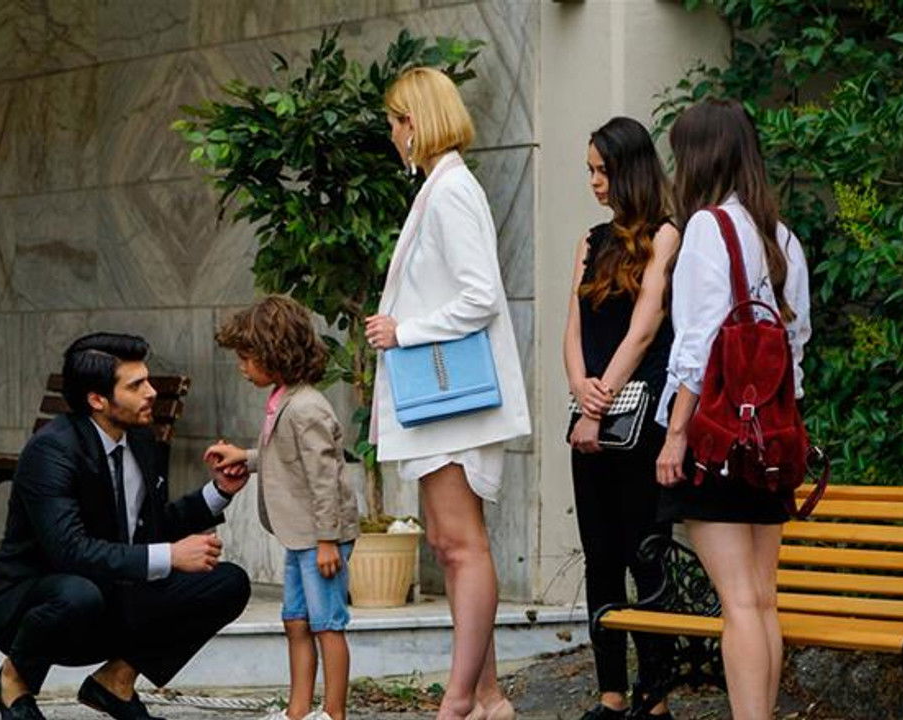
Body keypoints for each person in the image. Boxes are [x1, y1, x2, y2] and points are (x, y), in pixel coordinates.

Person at [364, 67, 531, 720]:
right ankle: (485, 695)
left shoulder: (452, 189)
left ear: (414, 123)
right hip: (444, 405)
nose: (391, 135)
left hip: (454, 402)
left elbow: (480, 295)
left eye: (393, 123)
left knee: (461, 544)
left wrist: (404, 331)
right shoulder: (443, 186)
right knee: (448, 542)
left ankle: (459, 701)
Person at [0, 333, 253, 720]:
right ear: (97, 400)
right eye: (136, 385)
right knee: (78, 594)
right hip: (33, 605)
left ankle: (114, 683)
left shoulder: (140, 438)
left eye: (148, 380)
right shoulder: (51, 451)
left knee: (227, 582)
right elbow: (70, 551)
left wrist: (218, 492)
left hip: (109, 594)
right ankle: (15, 680)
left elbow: (149, 526)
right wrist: (170, 556)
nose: (151, 393)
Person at [655, 99, 812, 720]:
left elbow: (696, 346)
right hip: (770, 439)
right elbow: (794, 351)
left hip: (717, 437)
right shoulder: (783, 237)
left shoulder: (707, 227)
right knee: (762, 599)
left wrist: (675, 434)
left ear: (701, 157)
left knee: (738, 602)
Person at [562, 117, 679, 720]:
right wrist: (580, 388)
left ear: (631, 169)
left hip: (642, 419)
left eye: (603, 170)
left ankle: (653, 697)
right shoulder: (589, 241)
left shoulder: (666, 235)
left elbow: (645, 328)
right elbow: (573, 327)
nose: (594, 182)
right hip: (591, 413)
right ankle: (610, 694)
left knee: (645, 552)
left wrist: (599, 401)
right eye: (589, 170)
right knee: (599, 556)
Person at [205, 295, 361, 720]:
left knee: (327, 624)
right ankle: (297, 711)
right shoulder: (284, 399)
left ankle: (334, 713)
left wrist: (327, 540)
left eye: (246, 357)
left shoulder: (306, 408)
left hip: (320, 539)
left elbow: (324, 478)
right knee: (296, 621)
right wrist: (245, 457)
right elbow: (286, 458)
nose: (241, 367)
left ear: (275, 353)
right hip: (300, 537)